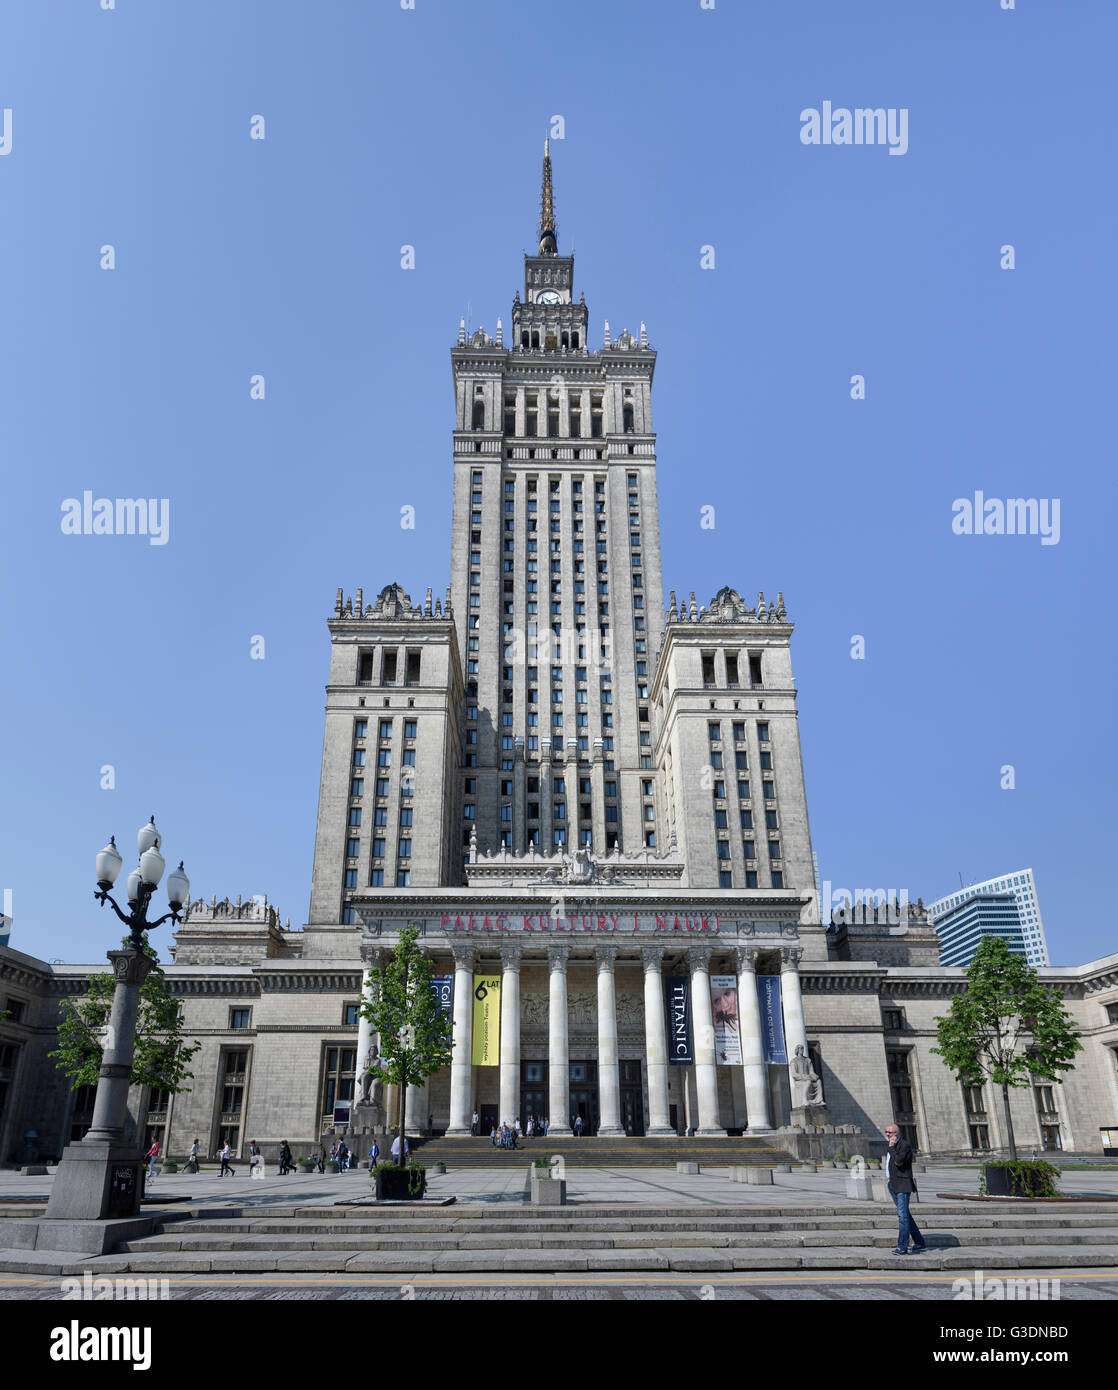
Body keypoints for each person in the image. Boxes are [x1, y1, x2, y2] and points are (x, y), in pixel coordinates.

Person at [884, 1123, 926, 1255]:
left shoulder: (904, 1145)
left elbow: (898, 1161)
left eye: (889, 1132)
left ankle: (902, 1246)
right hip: (893, 1184)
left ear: (896, 1133)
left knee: (902, 1216)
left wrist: (891, 1148)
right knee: (905, 1214)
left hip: (902, 1185)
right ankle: (919, 1242)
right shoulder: (893, 1146)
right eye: (886, 1132)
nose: (887, 1134)